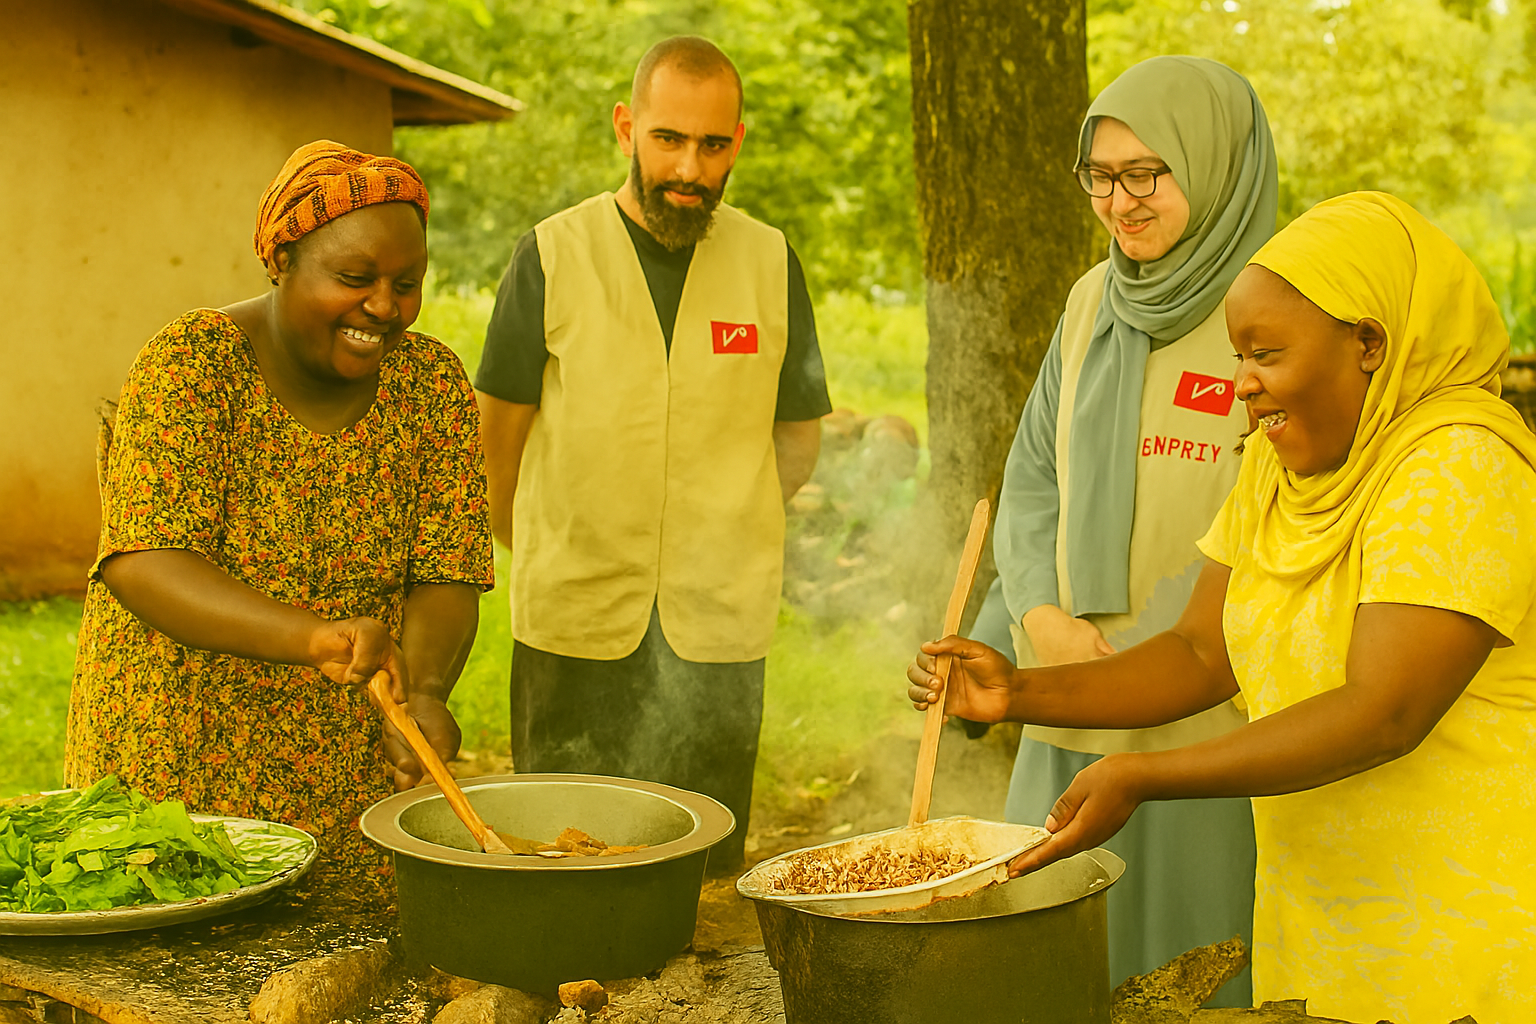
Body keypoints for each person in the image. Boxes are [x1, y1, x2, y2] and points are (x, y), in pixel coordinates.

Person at [909, 191, 1536, 1023]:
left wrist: (1145, 774)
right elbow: (1204, 654)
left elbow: (1386, 711)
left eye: (1266, 354)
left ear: (1369, 344)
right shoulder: (1278, 469)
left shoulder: (1460, 467)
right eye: (1240, 354)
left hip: (1463, 928)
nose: (1242, 384)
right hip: (1321, 910)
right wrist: (1018, 692)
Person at [66, 141, 495, 877]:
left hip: (344, 782)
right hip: (175, 774)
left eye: (408, 283)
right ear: (281, 260)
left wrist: (423, 691)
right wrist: (316, 639)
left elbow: (447, 566)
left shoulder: (430, 384)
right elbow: (146, 559)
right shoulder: (194, 365)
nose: (384, 307)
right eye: (354, 278)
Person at [473, 36, 831, 868]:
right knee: (560, 857)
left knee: (699, 869)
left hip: (719, 631)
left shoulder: (770, 261)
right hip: (575, 620)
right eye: (668, 139)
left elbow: (797, 436)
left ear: (736, 142)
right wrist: (548, 549)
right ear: (626, 128)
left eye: (712, 145)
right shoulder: (553, 254)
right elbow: (497, 439)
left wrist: (724, 528)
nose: (689, 168)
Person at [978, 55, 1277, 1003]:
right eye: (1101, 176)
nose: (1120, 201)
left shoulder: (1275, 314)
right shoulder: (1087, 304)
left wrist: (1155, 657)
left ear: (1219, 166)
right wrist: (1038, 619)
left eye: (1149, 172)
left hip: (1213, 717)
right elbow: (1031, 479)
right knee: (1058, 961)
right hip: (1071, 692)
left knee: (1200, 968)